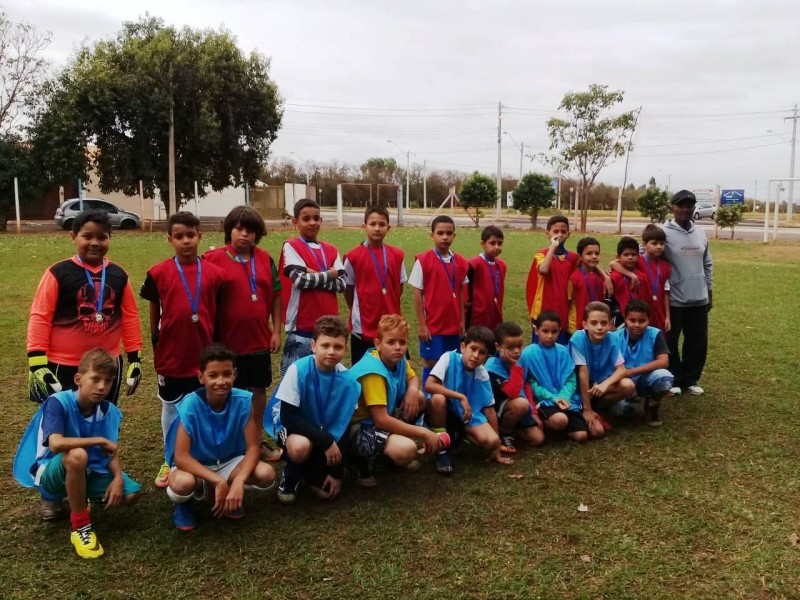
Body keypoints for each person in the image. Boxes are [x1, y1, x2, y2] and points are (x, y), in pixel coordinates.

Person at [13, 348, 141, 558]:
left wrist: (118, 477)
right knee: (77, 455)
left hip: (88, 468)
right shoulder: (58, 402)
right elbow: (55, 444)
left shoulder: (108, 410)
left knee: (131, 494)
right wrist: (98, 440)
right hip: (51, 471)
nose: (102, 386)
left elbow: (109, 450)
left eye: (108, 381)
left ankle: (80, 495)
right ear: (78, 379)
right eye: (95, 379)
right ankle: (79, 525)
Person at [140, 211, 225, 488]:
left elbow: (219, 310)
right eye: (179, 237)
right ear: (170, 239)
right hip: (172, 354)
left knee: (202, 405)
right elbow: (154, 306)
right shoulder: (157, 272)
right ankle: (170, 457)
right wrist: (155, 335)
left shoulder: (215, 274)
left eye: (191, 235)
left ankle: (197, 454)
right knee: (172, 407)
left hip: (203, 353)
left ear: (200, 236)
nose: (186, 241)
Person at [27, 210, 143, 408]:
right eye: (87, 236)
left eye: (102, 237)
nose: (95, 243)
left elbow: (130, 317)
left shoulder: (119, 275)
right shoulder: (57, 273)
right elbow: (40, 316)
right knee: (61, 423)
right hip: (62, 364)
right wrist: (37, 361)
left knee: (101, 418)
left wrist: (135, 359)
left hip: (107, 364)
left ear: (110, 238)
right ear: (73, 237)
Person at [165, 344, 276, 531]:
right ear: (201, 377)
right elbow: (182, 456)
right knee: (182, 483)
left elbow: (253, 448)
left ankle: (228, 492)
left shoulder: (243, 401)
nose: (221, 381)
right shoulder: (191, 404)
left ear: (235, 374)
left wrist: (239, 480)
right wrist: (217, 480)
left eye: (227, 374)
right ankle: (185, 503)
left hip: (228, 462)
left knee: (266, 474)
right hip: (196, 465)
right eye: (213, 375)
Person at [203, 206, 282, 441]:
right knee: (224, 391)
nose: (244, 234)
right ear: (230, 230)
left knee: (258, 391)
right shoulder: (212, 259)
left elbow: (277, 296)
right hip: (226, 343)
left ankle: (255, 439)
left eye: (250, 230)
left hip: (258, 340)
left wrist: (276, 330)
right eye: (239, 228)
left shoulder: (265, 258)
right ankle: (227, 440)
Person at [267, 316, 359, 504]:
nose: (331, 352)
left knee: (325, 493)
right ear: (313, 346)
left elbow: (344, 426)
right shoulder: (298, 370)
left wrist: (336, 473)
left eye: (338, 347)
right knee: (301, 446)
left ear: (345, 349)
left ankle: (310, 471)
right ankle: (291, 475)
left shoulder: (349, 382)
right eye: (325, 346)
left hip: (323, 432)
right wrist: (326, 442)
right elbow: (288, 417)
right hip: (292, 429)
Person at [347, 315, 444, 486]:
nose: (398, 348)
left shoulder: (397, 359)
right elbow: (381, 420)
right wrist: (423, 433)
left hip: (378, 420)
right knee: (407, 450)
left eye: (402, 342)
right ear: (377, 344)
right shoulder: (373, 372)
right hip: (356, 429)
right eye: (391, 342)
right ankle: (358, 461)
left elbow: (412, 378)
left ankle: (385, 452)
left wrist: (413, 390)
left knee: (419, 398)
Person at [424, 326, 508, 475]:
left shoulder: (482, 374)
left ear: (487, 357)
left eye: (482, 353)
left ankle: (461, 435)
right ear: (463, 347)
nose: (476, 355)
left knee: (491, 441)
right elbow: (429, 385)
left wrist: (497, 447)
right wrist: (460, 396)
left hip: (467, 417)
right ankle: (441, 450)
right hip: (444, 411)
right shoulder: (449, 357)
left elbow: (489, 409)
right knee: (438, 399)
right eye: (473, 349)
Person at [279, 199, 346, 375]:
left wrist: (312, 273)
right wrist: (330, 274)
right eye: (306, 219)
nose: (312, 223)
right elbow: (301, 281)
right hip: (302, 328)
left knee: (327, 380)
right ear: (295, 222)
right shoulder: (291, 246)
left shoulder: (331, 249)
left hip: (329, 329)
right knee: (298, 381)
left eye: (316, 218)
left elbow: (342, 284)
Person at [662, 190, 713, 395]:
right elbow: (644, 252)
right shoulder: (663, 232)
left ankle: (690, 379)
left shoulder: (700, 232)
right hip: (674, 299)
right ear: (672, 208)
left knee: (697, 342)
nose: (685, 209)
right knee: (671, 342)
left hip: (699, 297)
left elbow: (707, 262)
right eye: (680, 205)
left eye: (689, 206)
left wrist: (709, 291)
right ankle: (673, 379)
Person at [409, 215, 470, 386]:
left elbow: (461, 292)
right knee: (431, 362)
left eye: (449, 233)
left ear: (454, 235)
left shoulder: (461, 262)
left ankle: (449, 399)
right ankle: (428, 400)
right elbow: (417, 294)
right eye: (440, 233)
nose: (445, 237)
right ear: (432, 235)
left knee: (453, 362)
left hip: (453, 324)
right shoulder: (423, 260)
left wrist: (462, 321)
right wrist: (422, 324)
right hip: (433, 325)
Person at [343, 205, 407, 365]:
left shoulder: (397, 255)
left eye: (382, 224)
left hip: (392, 326)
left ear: (389, 227)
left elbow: (399, 287)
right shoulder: (353, 256)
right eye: (372, 224)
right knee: (363, 372)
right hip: (363, 328)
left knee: (394, 370)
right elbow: (348, 289)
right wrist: (356, 308)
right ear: (364, 226)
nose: (377, 228)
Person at [568, 301, 635, 438]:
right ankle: (586, 409)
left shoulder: (612, 338)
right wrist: (586, 409)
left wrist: (605, 384)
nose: (599, 327)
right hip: (578, 391)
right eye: (594, 323)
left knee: (628, 385)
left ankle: (599, 409)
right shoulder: (578, 338)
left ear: (610, 324)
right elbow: (583, 374)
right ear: (584, 324)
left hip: (598, 387)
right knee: (597, 433)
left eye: (604, 323)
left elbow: (621, 370)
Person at [520, 311, 588, 442]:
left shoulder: (563, 350)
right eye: (545, 331)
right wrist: (554, 398)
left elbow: (571, 379)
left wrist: (564, 397)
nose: (550, 336)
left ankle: (557, 428)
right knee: (560, 420)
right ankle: (546, 423)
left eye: (554, 332)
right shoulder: (528, 354)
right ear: (536, 330)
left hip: (566, 401)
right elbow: (530, 383)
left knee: (581, 435)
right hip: (545, 401)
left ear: (560, 331)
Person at [484, 321, 544, 454]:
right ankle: (504, 431)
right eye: (510, 347)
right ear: (498, 346)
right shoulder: (492, 366)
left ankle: (515, 429)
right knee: (521, 404)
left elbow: (526, 385)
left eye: (519, 346)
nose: (517, 351)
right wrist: (515, 367)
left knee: (538, 439)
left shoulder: (521, 359)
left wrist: (533, 412)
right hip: (498, 410)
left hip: (518, 406)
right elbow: (514, 392)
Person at [613, 300, 674, 426]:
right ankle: (629, 400)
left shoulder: (655, 334)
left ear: (649, 320)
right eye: (632, 320)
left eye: (642, 321)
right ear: (625, 319)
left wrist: (630, 372)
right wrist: (625, 381)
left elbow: (664, 362)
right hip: (622, 381)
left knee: (665, 378)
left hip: (644, 378)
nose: (637, 325)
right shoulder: (614, 337)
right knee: (621, 412)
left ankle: (651, 405)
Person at [525, 215, 579, 345]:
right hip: (543, 311)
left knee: (560, 347)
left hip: (562, 311)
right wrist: (552, 248)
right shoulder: (541, 254)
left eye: (563, 232)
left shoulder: (573, 258)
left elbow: (590, 264)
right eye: (555, 231)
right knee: (540, 348)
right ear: (547, 233)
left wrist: (604, 276)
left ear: (568, 234)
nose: (559, 235)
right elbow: (543, 270)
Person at [609, 224, 672, 332]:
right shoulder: (637, 261)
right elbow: (613, 263)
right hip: (639, 311)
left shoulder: (666, 266)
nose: (659, 246)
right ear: (644, 245)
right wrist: (632, 275)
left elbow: (666, 292)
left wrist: (667, 317)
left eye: (662, 243)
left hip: (659, 311)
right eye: (654, 243)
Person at [567, 236, 612, 335]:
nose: (594, 256)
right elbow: (568, 302)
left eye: (597, 253)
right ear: (580, 257)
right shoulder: (574, 277)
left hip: (597, 325)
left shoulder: (601, 277)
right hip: (578, 327)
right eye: (589, 253)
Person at [467, 225, 507, 331]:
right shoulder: (473, 264)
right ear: (483, 244)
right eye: (492, 243)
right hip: (477, 318)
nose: (497, 247)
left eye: (500, 243)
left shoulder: (502, 265)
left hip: (495, 315)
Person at [609, 236, 644, 326]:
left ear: (638, 256)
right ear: (618, 257)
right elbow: (608, 300)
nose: (630, 257)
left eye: (633, 254)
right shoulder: (613, 277)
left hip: (638, 318)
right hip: (618, 318)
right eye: (626, 254)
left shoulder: (641, 275)